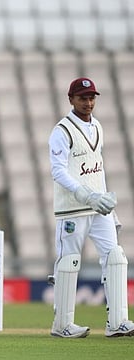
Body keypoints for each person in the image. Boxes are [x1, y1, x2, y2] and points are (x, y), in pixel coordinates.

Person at [48, 77, 134, 338]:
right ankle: (62, 324)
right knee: (68, 262)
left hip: (99, 208)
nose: (88, 102)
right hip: (72, 209)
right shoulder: (61, 131)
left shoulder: (97, 126)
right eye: (82, 98)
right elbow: (58, 172)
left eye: (91, 97)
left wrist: (108, 203)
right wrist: (86, 195)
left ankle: (117, 321)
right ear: (71, 99)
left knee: (115, 257)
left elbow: (99, 168)